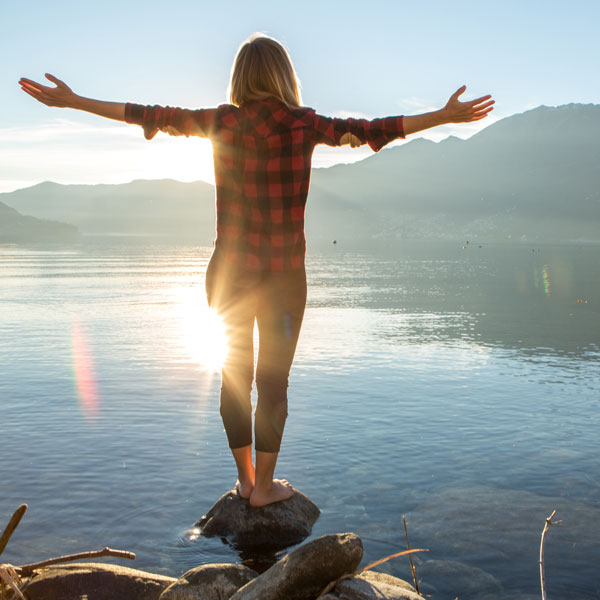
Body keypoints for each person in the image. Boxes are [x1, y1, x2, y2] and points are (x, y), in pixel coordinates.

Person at [19, 33, 494, 507]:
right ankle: (264, 488)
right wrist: (443, 116)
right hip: (284, 277)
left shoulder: (221, 122)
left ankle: (246, 481)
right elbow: (373, 129)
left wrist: (75, 102)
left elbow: (148, 115)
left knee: (233, 376)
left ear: (240, 76)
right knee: (273, 383)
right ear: (285, 77)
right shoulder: (305, 124)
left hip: (228, 273)